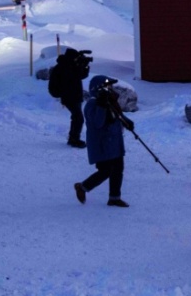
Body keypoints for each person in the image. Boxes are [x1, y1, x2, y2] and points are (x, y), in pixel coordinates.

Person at [74, 75, 131, 208]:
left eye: (110, 86)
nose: (110, 89)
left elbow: (117, 115)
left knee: (118, 169)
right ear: (98, 89)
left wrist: (127, 122)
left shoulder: (110, 101)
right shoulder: (92, 104)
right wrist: (102, 105)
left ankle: (114, 198)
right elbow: (98, 123)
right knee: (106, 170)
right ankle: (82, 187)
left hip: (114, 142)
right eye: (107, 86)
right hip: (102, 145)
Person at [51, 47, 91, 148]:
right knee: (78, 118)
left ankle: (73, 138)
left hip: (75, 96)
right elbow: (74, 76)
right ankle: (74, 139)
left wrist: (85, 65)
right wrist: (82, 65)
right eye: (76, 58)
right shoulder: (64, 67)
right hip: (69, 97)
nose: (77, 60)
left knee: (77, 118)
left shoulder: (70, 66)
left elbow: (81, 75)